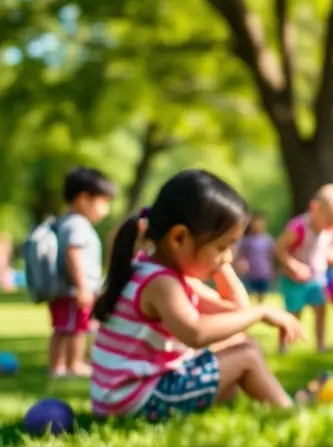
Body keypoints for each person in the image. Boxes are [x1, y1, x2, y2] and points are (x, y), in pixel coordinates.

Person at [90, 170, 303, 419]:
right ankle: (289, 414)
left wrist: (218, 261)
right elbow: (196, 333)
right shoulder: (161, 283)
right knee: (246, 356)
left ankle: (233, 405)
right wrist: (261, 312)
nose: (230, 257)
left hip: (123, 399)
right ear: (178, 238)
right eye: (222, 246)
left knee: (240, 343)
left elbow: (236, 312)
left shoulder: (151, 270)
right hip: (136, 401)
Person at [48, 167, 116, 378]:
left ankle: (59, 367)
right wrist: (82, 287)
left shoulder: (65, 222)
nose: (106, 209)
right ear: (83, 198)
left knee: (64, 328)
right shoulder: (77, 224)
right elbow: (73, 253)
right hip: (74, 289)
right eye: (103, 201)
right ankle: (72, 365)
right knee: (76, 328)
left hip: (67, 289)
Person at [274, 184, 333, 353]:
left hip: (317, 278)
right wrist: (293, 265)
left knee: (321, 309)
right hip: (294, 279)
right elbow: (279, 248)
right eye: (329, 221)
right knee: (293, 313)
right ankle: (283, 345)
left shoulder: (330, 230)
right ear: (314, 208)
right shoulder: (298, 228)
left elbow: (328, 250)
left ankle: (320, 344)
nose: (331, 226)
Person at [234, 213, 274, 304]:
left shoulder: (268, 240)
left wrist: (272, 271)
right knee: (249, 293)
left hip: (264, 272)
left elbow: (271, 257)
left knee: (262, 294)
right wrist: (240, 264)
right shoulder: (247, 240)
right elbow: (240, 254)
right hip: (250, 273)